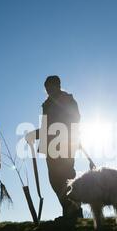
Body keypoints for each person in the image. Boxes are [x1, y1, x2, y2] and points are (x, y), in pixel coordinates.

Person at [25, 75, 83, 220]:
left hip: (65, 143)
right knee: (55, 180)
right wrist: (36, 134)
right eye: (46, 88)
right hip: (50, 146)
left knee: (67, 177)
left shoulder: (68, 100)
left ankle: (74, 211)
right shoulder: (47, 104)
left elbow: (75, 118)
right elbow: (46, 127)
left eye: (50, 86)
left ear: (57, 85)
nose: (48, 90)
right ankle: (69, 210)